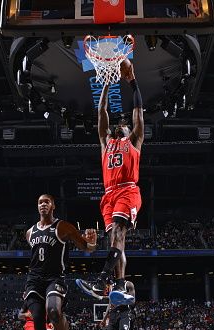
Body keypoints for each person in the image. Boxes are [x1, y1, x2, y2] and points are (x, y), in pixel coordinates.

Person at [76, 59, 144, 305]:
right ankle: (120, 287)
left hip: (127, 190)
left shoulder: (134, 140)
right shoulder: (106, 143)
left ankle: (100, 282)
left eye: (125, 125)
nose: (122, 125)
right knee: (117, 243)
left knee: (117, 232)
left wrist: (133, 82)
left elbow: (138, 112)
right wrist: (105, 83)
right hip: (108, 194)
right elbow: (101, 112)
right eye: (121, 124)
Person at [24, 194, 98, 330]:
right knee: (38, 320)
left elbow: (86, 248)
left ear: (53, 206)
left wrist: (93, 242)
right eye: (40, 202)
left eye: (46, 202)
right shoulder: (30, 232)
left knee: (54, 312)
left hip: (55, 278)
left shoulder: (63, 226)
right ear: (37, 206)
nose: (43, 205)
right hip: (33, 280)